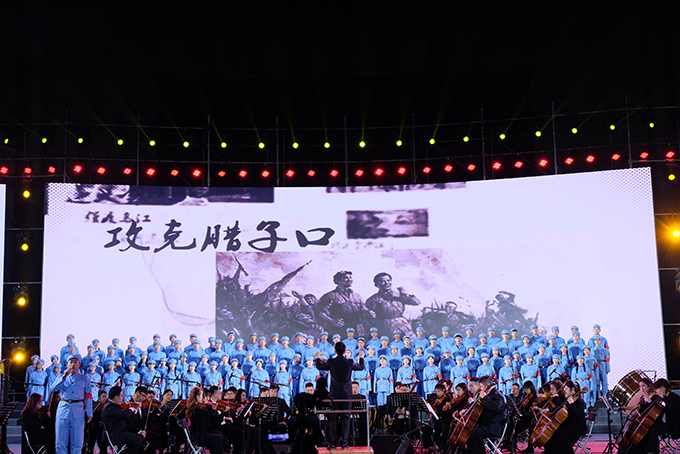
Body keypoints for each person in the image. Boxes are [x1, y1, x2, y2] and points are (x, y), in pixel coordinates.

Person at [315, 341, 365, 449]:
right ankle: (344, 444)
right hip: (346, 394)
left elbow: (319, 366)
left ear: (335, 351)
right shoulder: (350, 362)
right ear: (345, 351)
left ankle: (333, 443)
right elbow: (361, 367)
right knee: (346, 418)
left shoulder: (332, 362)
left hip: (335, 394)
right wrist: (361, 357)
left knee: (333, 418)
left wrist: (317, 358)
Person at [52, 355, 93, 454]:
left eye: (75, 362)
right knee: (60, 442)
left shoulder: (84, 378)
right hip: (63, 408)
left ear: (79, 365)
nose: (72, 364)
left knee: (77, 441)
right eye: (71, 362)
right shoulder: (61, 377)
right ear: (67, 364)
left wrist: (89, 412)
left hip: (78, 409)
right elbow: (53, 388)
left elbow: (88, 396)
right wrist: (63, 377)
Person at [316, 270, 374, 335]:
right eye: (346, 278)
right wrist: (332, 321)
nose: (349, 280)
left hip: (358, 330)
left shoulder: (357, 296)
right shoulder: (330, 296)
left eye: (350, 278)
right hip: (339, 330)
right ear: (337, 281)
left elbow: (363, 308)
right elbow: (319, 312)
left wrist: (369, 312)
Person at [461, 375, 505, 454]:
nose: (480, 388)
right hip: (486, 425)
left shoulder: (497, 395)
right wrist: (467, 410)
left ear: (487, 385)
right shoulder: (489, 394)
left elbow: (496, 407)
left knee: (474, 433)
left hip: (493, 427)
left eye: (481, 386)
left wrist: (485, 398)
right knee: (469, 434)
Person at [542, 380, 587, 454]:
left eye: (566, 389)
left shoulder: (580, 401)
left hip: (578, 427)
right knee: (554, 434)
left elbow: (578, 414)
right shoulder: (569, 399)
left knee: (560, 437)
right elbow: (560, 407)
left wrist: (572, 404)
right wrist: (548, 410)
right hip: (570, 425)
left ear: (572, 389)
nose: (565, 391)